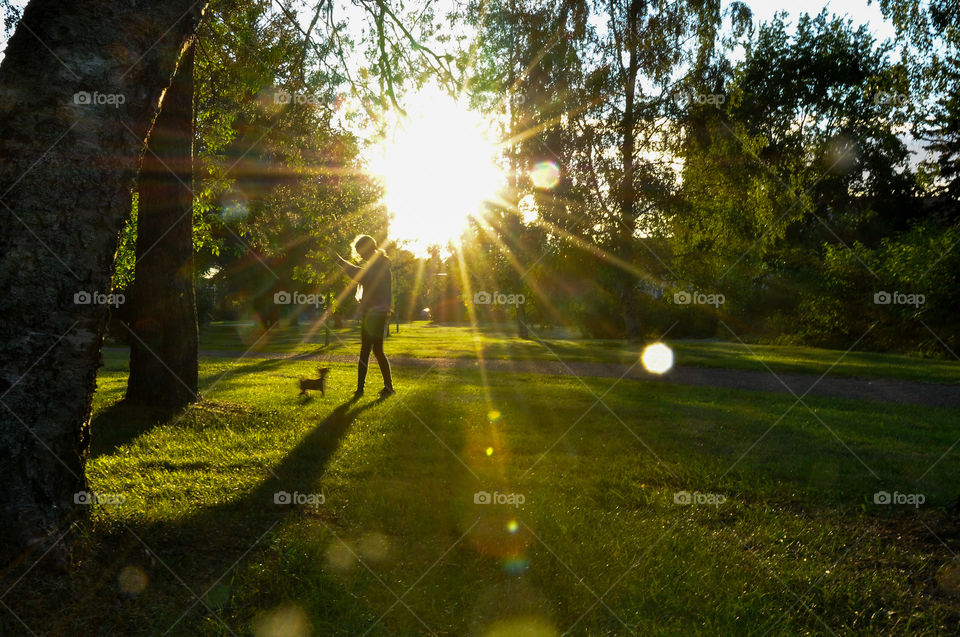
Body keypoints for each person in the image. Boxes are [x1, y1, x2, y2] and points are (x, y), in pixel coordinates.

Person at [334, 235, 395, 399]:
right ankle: (379, 387)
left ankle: (368, 389)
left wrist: (340, 261)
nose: (360, 256)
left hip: (376, 313)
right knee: (372, 350)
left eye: (360, 251)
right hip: (374, 312)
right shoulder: (378, 263)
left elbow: (360, 275)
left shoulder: (379, 265)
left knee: (370, 350)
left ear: (368, 248)